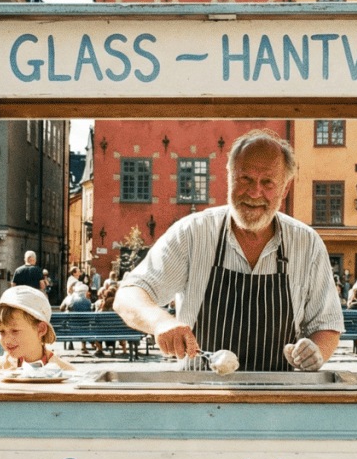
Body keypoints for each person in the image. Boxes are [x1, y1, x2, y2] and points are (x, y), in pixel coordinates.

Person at [114, 129, 344, 372]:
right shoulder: (193, 232)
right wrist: (160, 322)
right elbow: (128, 295)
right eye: (245, 179)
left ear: (285, 189)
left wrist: (314, 352)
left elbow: (326, 324)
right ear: (230, 177)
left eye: (267, 183)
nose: (255, 193)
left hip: (279, 397)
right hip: (200, 395)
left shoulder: (306, 243)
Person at [0, 285, 74, 371]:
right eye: (2, 331)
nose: (7, 340)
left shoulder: (64, 370)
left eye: (15, 331)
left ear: (41, 329)